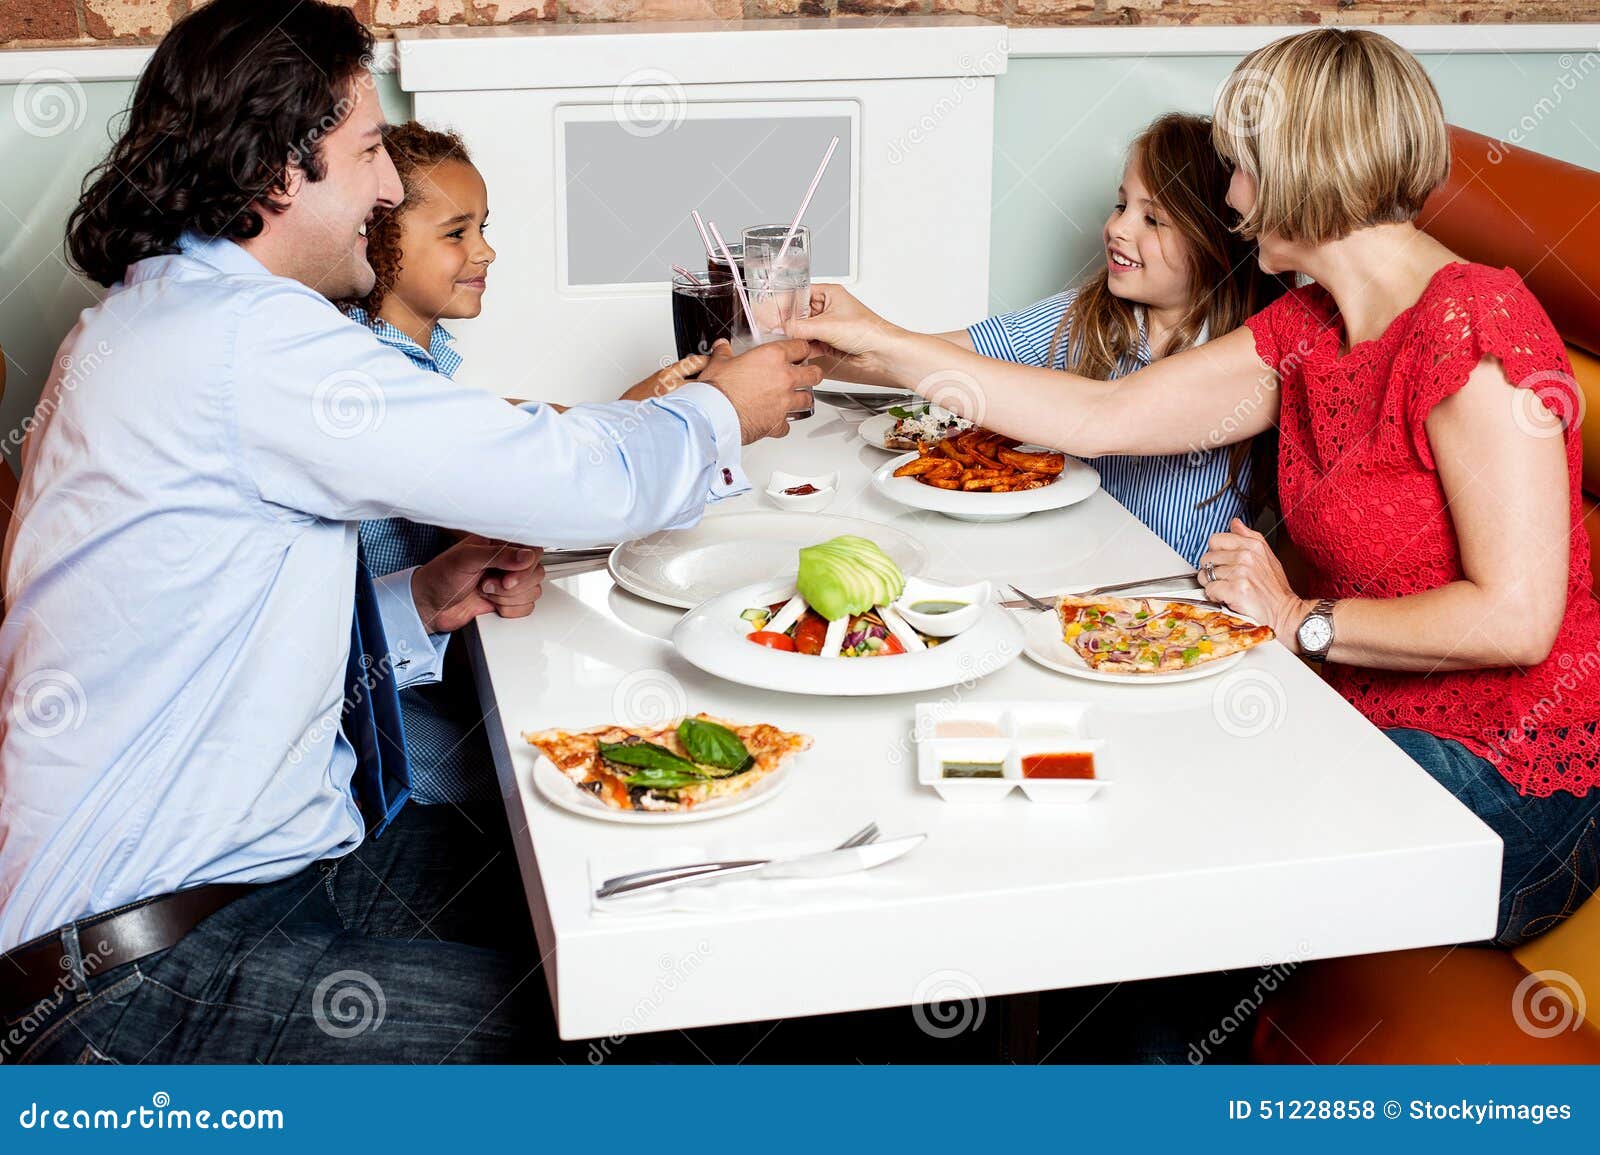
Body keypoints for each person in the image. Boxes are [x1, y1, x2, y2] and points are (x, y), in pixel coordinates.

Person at [0, 0, 818, 1063]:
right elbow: (566, 477)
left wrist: (419, 603)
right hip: (141, 981)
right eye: (369, 150)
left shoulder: (159, 317)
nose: (389, 188)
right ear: (276, 171)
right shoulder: (249, 340)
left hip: (260, 881)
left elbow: (207, 636)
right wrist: (721, 409)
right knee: (641, 1029)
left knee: (641, 900)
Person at [791, 28, 1600, 946]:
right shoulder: (1309, 326)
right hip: (1356, 718)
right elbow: (1104, 417)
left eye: (1243, 166)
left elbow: (1517, 619)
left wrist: (1300, 618)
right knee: (1109, 802)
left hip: (1509, 778)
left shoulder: (1473, 324)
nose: (1232, 196)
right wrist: (884, 343)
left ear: (1305, 167)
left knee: (1170, 865)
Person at [333, 122, 712, 805]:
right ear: (378, 237)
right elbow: (549, 469)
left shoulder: (398, 363)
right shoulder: (384, 383)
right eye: (456, 232)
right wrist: (700, 416)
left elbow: (535, 436)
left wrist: (648, 403)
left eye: (482, 227)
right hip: (426, 771)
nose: (486, 250)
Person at [831, 113, 1285, 565]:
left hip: (1177, 591)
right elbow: (945, 357)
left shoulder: (1251, 356)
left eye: (1153, 219)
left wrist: (876, 338)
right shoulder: (1086, 316)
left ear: (1216, 241)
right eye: (1121, 205)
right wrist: (819, 342)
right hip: (1072, 568)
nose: (1118, 228)